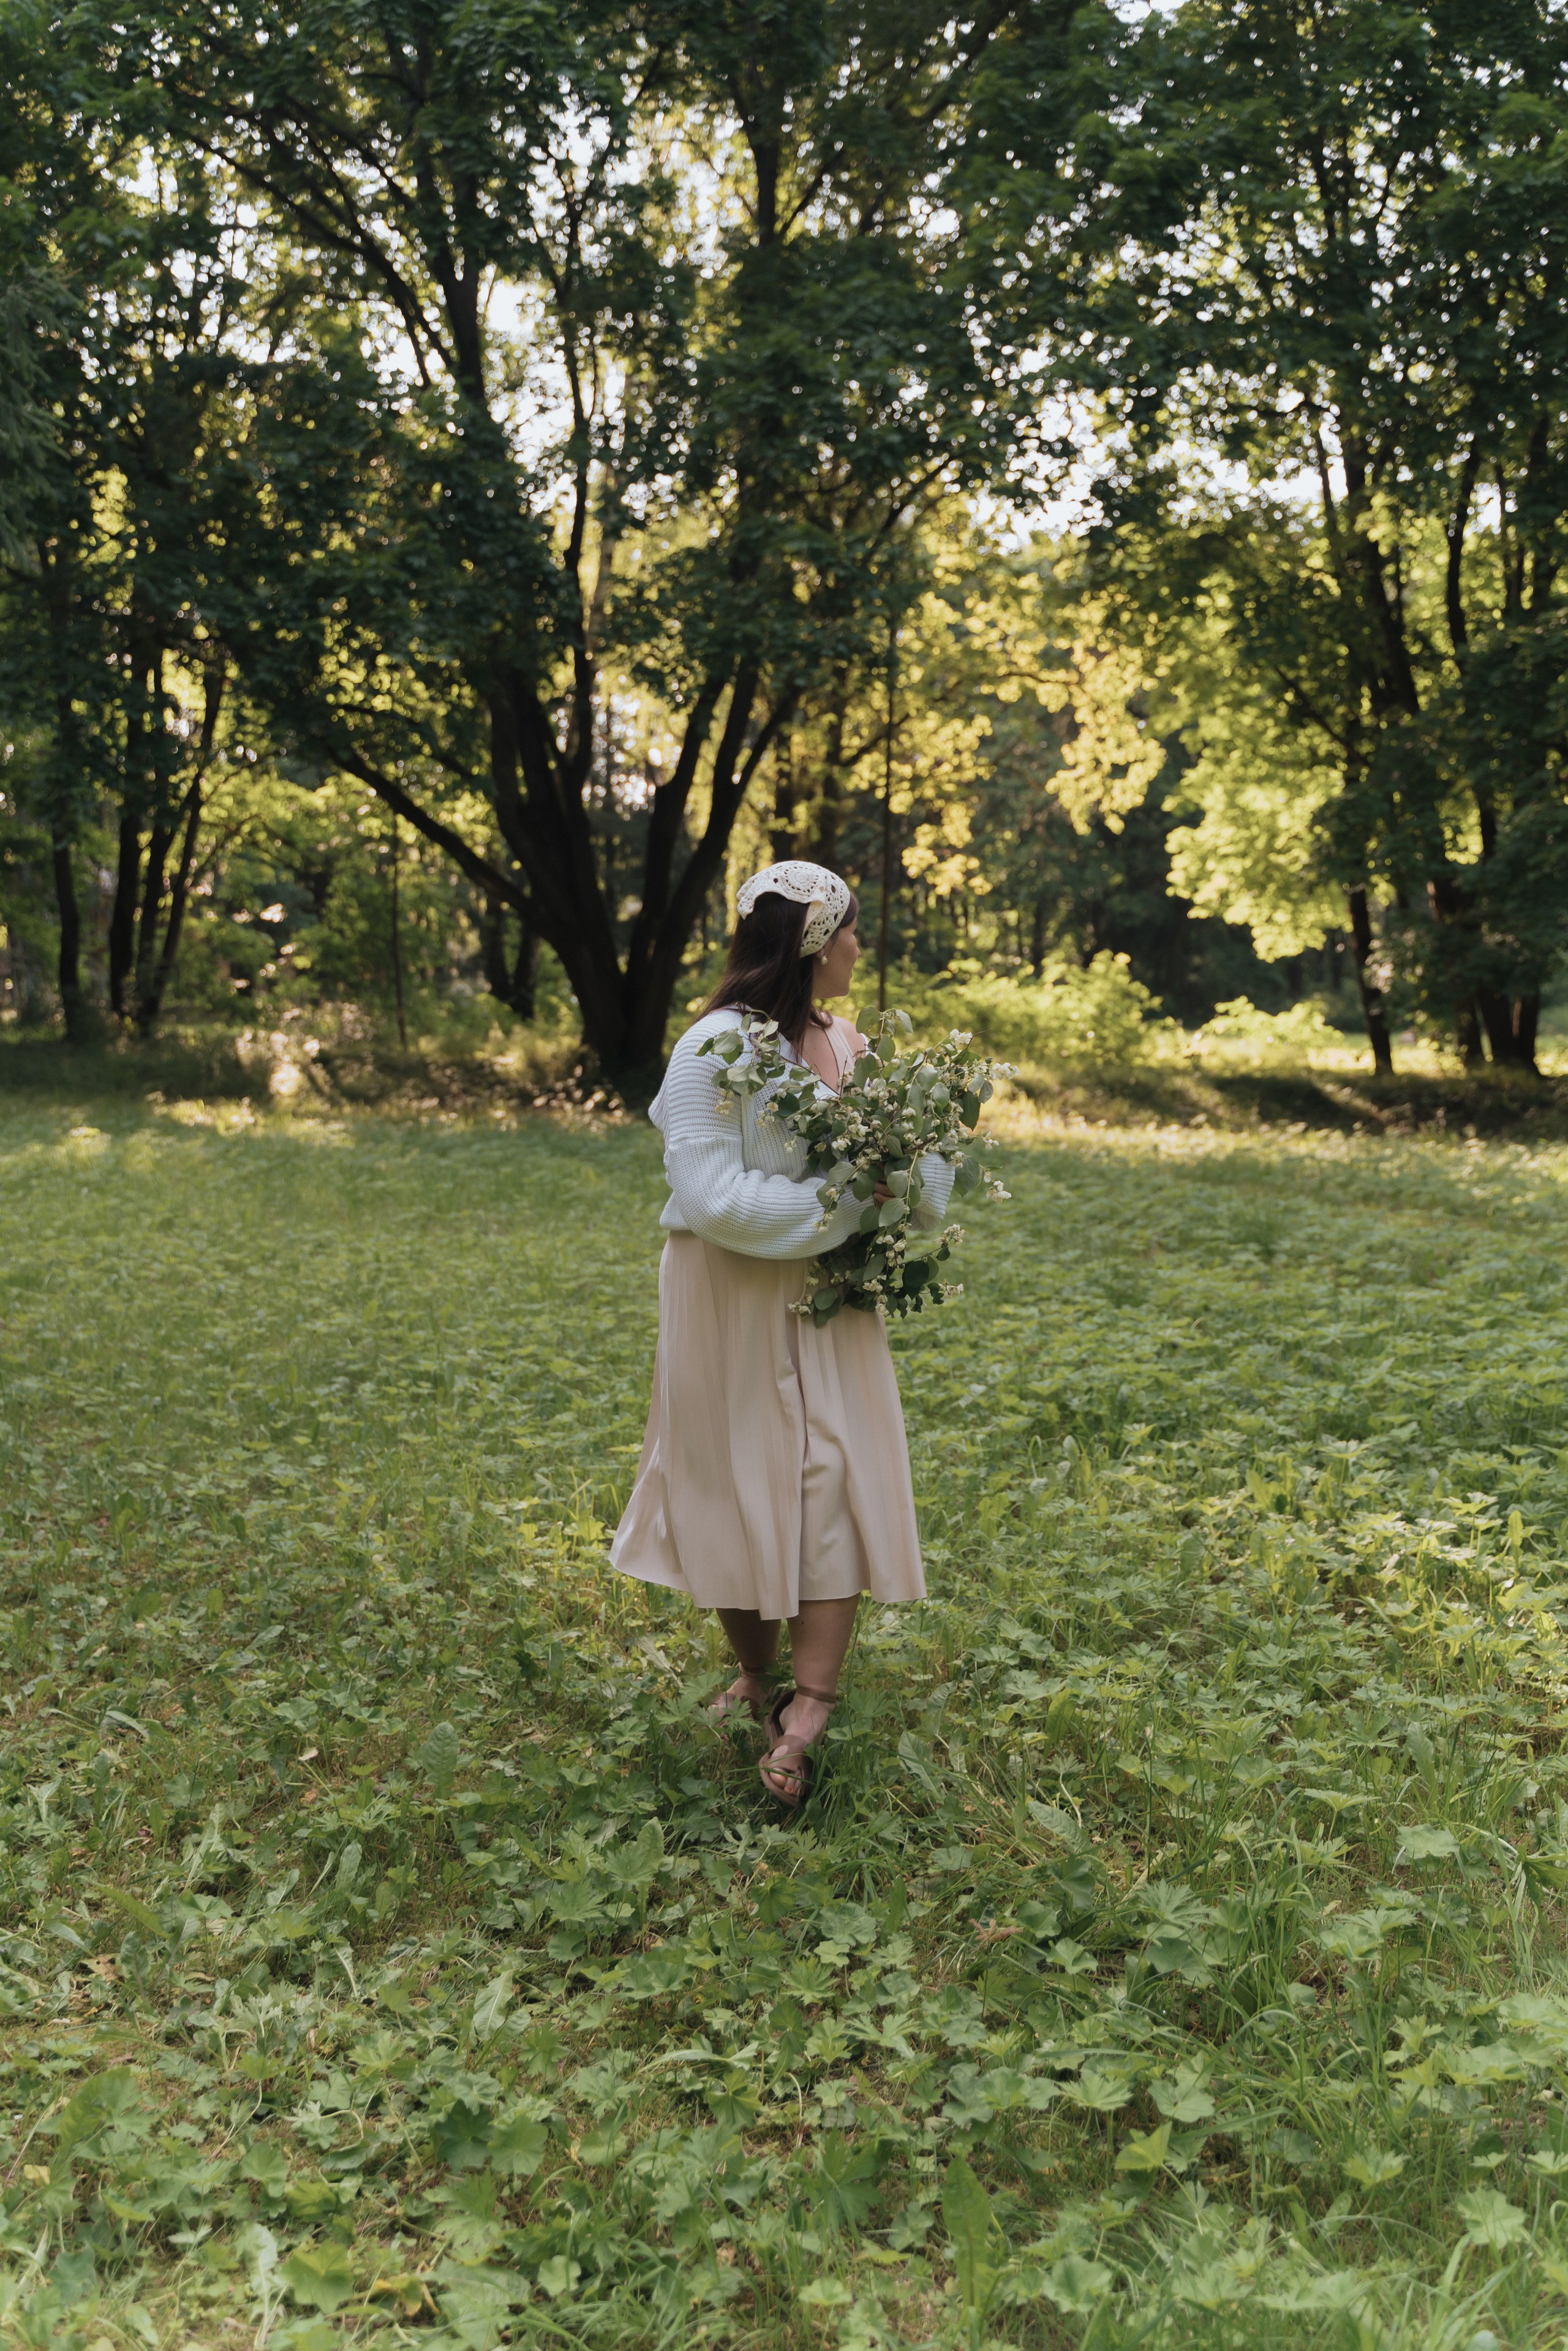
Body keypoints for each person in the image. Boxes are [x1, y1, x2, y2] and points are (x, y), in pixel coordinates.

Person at [609, 861, 953, 1805]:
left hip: (830, 1294)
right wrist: (850, 1206)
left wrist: (922, 1172)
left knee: (832, 1473)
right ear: (812, 942)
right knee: (735, 1476)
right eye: (849, 930)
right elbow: (712, 1195)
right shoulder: (714, 1049)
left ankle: (811, 1706)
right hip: (728, 1290)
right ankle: (755, 1677)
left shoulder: (849, 1042)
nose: (857, 947)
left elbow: (917, 1176)